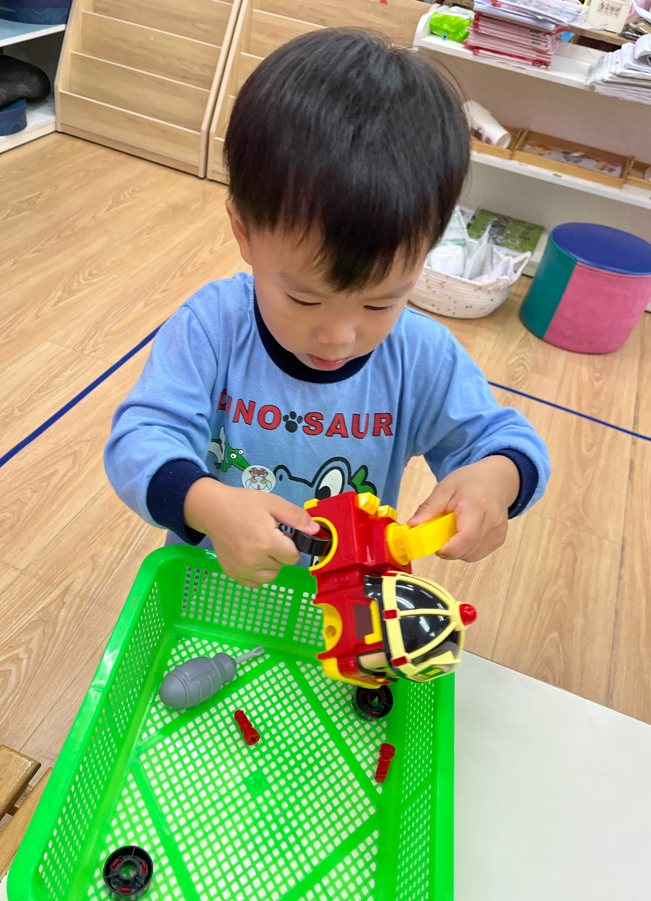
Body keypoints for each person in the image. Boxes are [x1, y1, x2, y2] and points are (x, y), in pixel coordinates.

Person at [105, 29, 550, 589]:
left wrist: (497, 479)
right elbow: (140, 439)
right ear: (244, 231)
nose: (339, 336)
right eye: (304, 297)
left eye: (381, 302)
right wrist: (205, 503)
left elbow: (507, 441)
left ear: (426, 254)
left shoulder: (421, 356)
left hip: (345, 601)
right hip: (214, 586)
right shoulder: (212, 328)